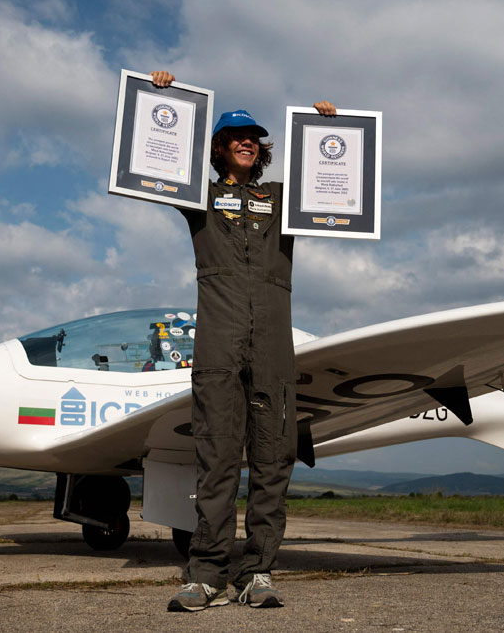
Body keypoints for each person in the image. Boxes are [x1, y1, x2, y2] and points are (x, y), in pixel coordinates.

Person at [149, 71, 336, 612]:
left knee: (274, 460)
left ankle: (257, 572)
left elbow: (331, 177)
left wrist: (332, 132)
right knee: (217, 458)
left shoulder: (284, 200)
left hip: (274, 347)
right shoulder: (199, 199)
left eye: (254, 136)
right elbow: (159, 162)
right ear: (218, 148)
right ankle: (205, 573)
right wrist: (161, 100)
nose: (247, 141)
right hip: (218, 345)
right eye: (236, 136)